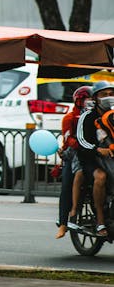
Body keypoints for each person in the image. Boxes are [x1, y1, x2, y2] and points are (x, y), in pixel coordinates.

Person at [76, 81, 114, 237]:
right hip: (91, 158)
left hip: (111, 156)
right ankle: (100, 220)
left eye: (111, 94)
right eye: (104, 95)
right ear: (95, 98)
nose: (109, 97)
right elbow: (81, 141)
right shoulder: (87, 116)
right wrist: (97, 150)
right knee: (101, 177)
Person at [55, 86, 92, 238]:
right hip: (73, 154)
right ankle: (64, 222)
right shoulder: (69, 118)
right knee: (66, 185)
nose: (87, 102)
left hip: (93, 152)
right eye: (84, 99)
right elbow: (67, 139)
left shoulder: (96, 116)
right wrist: (80, 144)